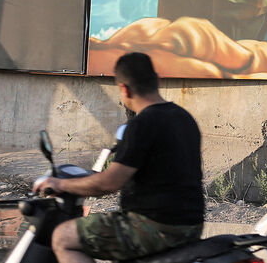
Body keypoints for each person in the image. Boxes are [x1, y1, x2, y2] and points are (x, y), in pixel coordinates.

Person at [34, 53, 204, 263]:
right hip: (191, 226)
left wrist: (60, 183)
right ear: (157, 79)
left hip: (153, 227)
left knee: (62, 237)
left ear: (124, 89)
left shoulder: (142, 124)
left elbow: (109, 183)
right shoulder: (183, 118)